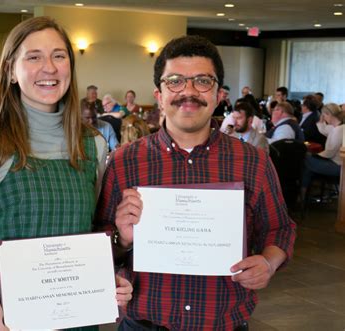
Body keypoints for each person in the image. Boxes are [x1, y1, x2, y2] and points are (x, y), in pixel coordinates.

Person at [0, 16, 132, 330]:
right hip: (4, 319)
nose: (49, 68)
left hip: (75, 320)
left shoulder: (91, 144)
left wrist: (110, 271)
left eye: (59, 55)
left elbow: (93, 233)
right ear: (11, 70)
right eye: (34, 57)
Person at [95, 35, 296, 330]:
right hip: (143, 323)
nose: (188, 92)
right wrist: (121, 239)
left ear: (218, 95)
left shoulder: (253, 161)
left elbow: (279, 228)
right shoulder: (125, 161)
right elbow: (102, 237)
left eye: (203, 81)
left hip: (224, 323)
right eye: (175, 81)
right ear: (159, 94)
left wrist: (268, 262)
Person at [301, 103, 344, 193]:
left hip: (338, 167)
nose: (323, 118)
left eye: (324, 115)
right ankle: (303, 193)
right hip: (336, 164)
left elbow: (329, 153)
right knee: (308, 165)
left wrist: (314, 154)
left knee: (304, 158)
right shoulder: (337, 127)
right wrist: (321, 121)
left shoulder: (338, 130)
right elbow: (324, 130)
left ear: (329, 114)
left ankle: (302, 193)